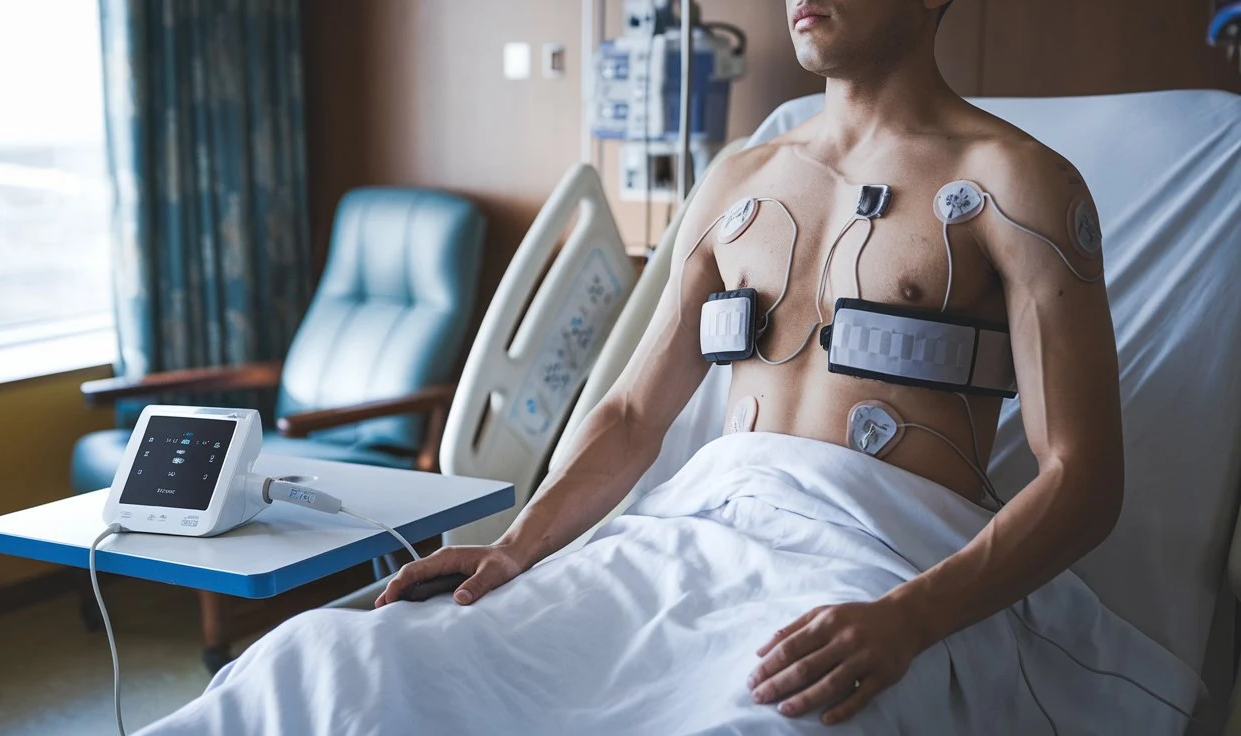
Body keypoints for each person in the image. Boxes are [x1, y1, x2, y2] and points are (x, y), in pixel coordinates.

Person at [376, 0, 1122, 726]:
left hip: (881, 564)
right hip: (692, 543)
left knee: (749, 719)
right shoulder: (738, 182)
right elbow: (635, 413)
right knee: (370, 661)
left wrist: (912, 618)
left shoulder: (1018, 185)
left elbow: (1083, 478)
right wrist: (514, 548)